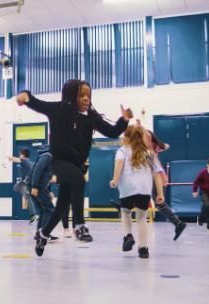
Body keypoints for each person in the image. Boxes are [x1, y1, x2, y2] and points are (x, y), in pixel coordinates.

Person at [16, 79, 132, 256]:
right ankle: (79, 225)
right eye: (82, 95)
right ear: (72, 96)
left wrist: (124, 120)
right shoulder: (59, 110)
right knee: (78, 180)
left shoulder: (91, 117)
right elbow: (39, 105)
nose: (86, 99)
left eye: (88, 95)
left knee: (62, 206)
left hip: (77, 164)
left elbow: (112, 132)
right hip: (60, 161)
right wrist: (26, 96)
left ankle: (42, 234)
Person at [110, 125, 165, 259]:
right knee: (141, 218)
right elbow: (157, 174)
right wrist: (160, 194)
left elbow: (119, 163)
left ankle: (128, 235)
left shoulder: (122, 151)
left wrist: (115, 180)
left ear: (126, 138)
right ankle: (143, 249)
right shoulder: (148, 153)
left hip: (127, 189)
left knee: (126, 212)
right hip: (144, 189)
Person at [8, 148, 38, 224]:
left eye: (20, 154)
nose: (19, 155)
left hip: (27, 183)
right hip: (25, 182)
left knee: (27, 197)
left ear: (22, 154)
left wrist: (9, 158)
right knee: (15, 187)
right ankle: (33, 215)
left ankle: (33, 215)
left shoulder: (24, 160)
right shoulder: (29, 162)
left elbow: (16, 159)